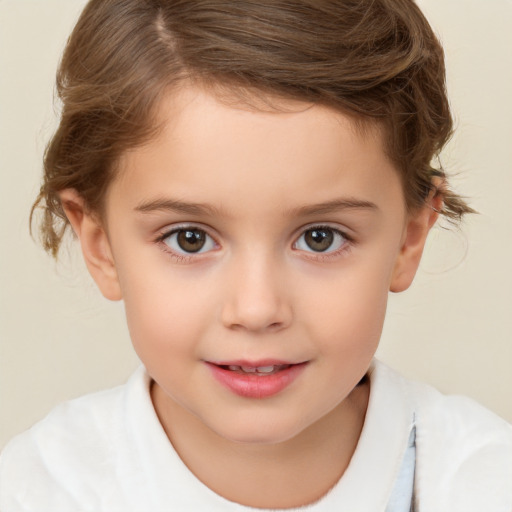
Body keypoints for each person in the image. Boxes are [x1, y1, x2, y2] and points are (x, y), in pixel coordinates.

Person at [1, 0, 510, 510]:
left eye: (320, 238)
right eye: (189, 239)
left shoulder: (484, 484)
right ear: (100, 244)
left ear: (409, 237)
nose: (257, 309)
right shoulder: (37, 491)